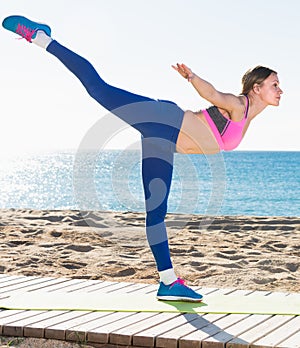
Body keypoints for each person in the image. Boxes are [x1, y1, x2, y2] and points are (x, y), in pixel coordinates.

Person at [2, 15, 283, 302]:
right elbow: (213, 94)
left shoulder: (248, 118)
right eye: (274, 84)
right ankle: (41, 38)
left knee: (156, 213)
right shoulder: (239, 105)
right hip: (164, 119)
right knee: (98, 88)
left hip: (163, 143)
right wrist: (192, 77)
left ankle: (168, 282)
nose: (280, 89)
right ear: (256, 88)